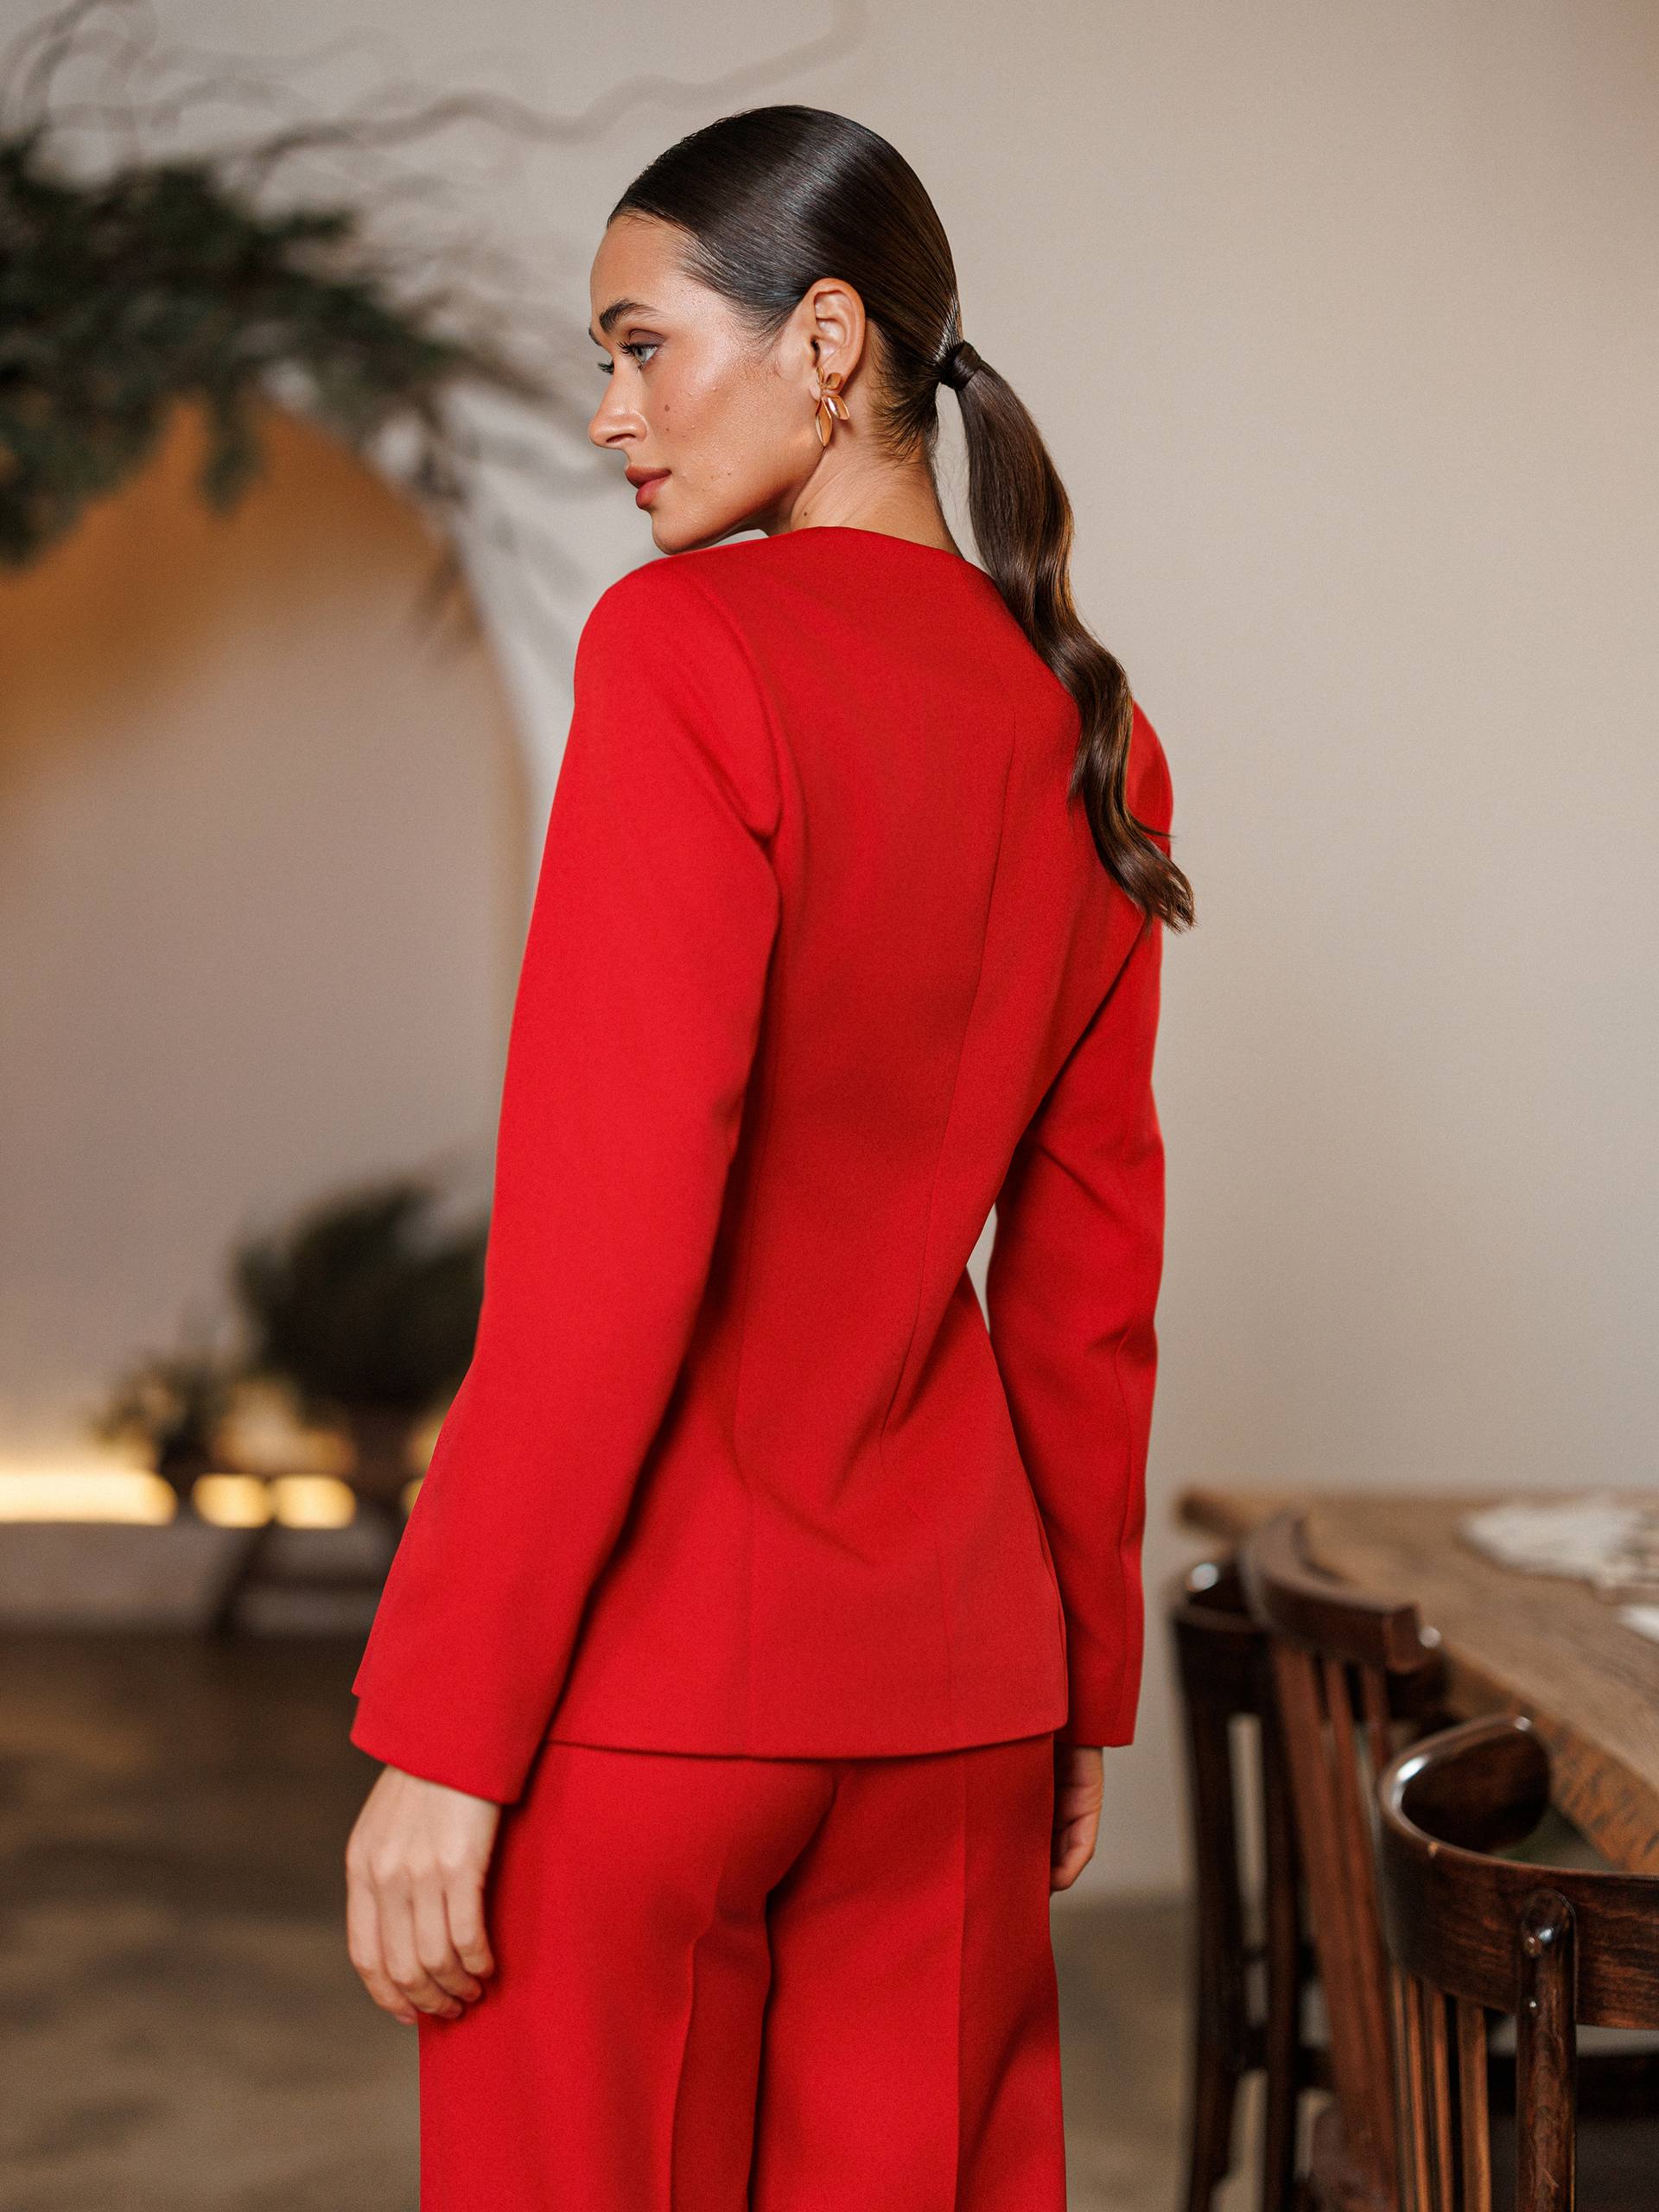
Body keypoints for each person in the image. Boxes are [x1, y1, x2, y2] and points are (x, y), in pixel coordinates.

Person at [343, 101, 1193, 2211]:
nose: (611, 410)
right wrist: (1080, 1675)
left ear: (827, 340)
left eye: (644, 345)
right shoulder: (1086, 725)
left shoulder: (687, 654)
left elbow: (603, 1254)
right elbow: (1090, 1275)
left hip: (652, 1700)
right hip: (964, 1701)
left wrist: (448, 1731)